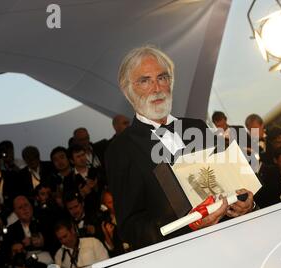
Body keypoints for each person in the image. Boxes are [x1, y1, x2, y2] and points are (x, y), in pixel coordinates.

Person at [106, 45, 254, 250]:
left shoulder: (199, 127)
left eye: (162, 78)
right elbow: (131, 227)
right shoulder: (122, 149)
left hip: (237, 244)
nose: (157, 88)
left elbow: (234, 183)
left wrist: (247, 202)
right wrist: (188, 227)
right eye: (145, 81)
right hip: (183, 260)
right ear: (128, 90)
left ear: (171, 83)